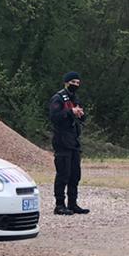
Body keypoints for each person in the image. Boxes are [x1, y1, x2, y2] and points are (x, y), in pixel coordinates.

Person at [48, 72, 89, 216]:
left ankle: (73, 204)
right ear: (66, 82)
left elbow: (83, 118)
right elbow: (54, 117)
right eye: (73, 82)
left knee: (75, 175)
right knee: (63, 174)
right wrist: (70, 111)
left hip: (74, 141)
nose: (76, 85)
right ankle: (59, 205)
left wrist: (81, 114)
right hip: (62, 141)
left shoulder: (75, 99)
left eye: (78, 83)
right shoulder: (58, 98)